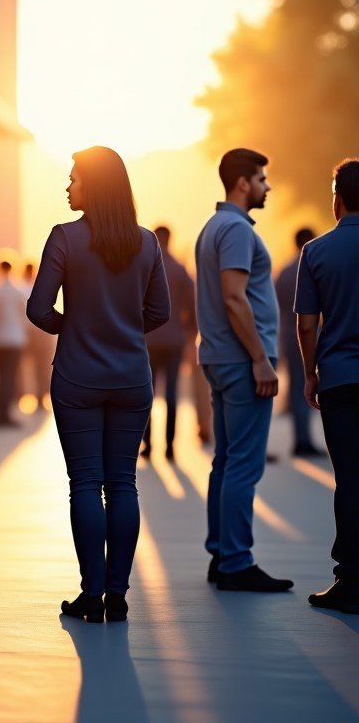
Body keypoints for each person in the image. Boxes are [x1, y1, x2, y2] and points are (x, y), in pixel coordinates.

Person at [27, 146, 170, 624]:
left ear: (95, 186)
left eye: (73, 179)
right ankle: (118, 594)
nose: (67, 187)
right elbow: (160, 313)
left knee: (85, 483)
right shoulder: (147, 243)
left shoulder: (64, 238)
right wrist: (122, 329)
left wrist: (76, 326)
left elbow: (38, 310)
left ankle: (91, 596)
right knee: (123, 483)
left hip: (77, 377)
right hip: (131, 377)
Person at [195, 148, 292, 593]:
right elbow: (235, 298)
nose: (266, 186)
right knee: (244, 465)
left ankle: (222, 552)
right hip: (240, 360)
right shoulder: (234, 230)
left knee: (227, 460)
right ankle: (235, 561)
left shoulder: (214, 226)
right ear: (242, 183)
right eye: (261, 179)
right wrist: (259, 358)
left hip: (220, 357)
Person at [296, 158, 359, 614]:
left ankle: (350, 580)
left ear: (337, 199)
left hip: (340, 380)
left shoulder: (316, 252)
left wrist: (310, 373)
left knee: (350, 479)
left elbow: (306, 325)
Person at [141, 226, 197, 462]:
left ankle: (148, 444)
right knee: (172, 393)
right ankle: (170, 446)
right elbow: (191, 307)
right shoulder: (180, 270)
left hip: (148, 339)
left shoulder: (144, 267)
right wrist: (190, 336)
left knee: (147, 394)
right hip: (174, 339)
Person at [275, 226, 324, 457]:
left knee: (297, 387)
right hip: (309, 332)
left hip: (287, 332)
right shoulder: (314, 264)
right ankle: (305, 440)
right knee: (312, 385)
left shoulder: (284, 271)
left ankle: (300, 438)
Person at [0, 251, 32, 428]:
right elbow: (26, 315)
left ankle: (0, 413)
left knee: (0, 376)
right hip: (14, 339)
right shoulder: (19, 289)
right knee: (9, 376)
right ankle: (5, 414)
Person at [22, 262, 54, 410]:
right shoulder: (41, 288)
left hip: (28, 333)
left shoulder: (21, 288)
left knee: (31, 368)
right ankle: (41, 396)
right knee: (43, 367)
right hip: (42, 334)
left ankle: (35, 396)